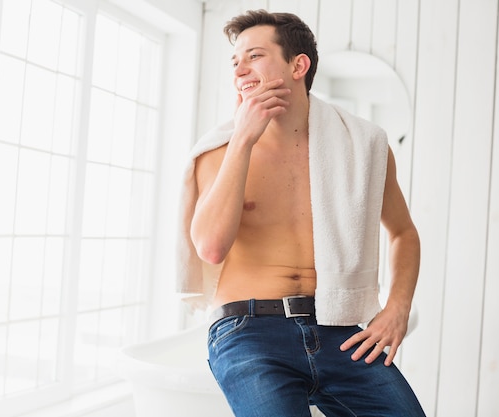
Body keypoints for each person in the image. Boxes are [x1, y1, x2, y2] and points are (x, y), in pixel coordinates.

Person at [179, 9, 426, 417]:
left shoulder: (364, 147)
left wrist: (397, 308)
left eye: (254, 55)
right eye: (235, 60)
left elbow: (403, 233)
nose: (240, 67)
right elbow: (209, 247)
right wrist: (243, 138)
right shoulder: (219, 152)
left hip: (338, 329)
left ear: (299, 65)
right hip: (249, 330)